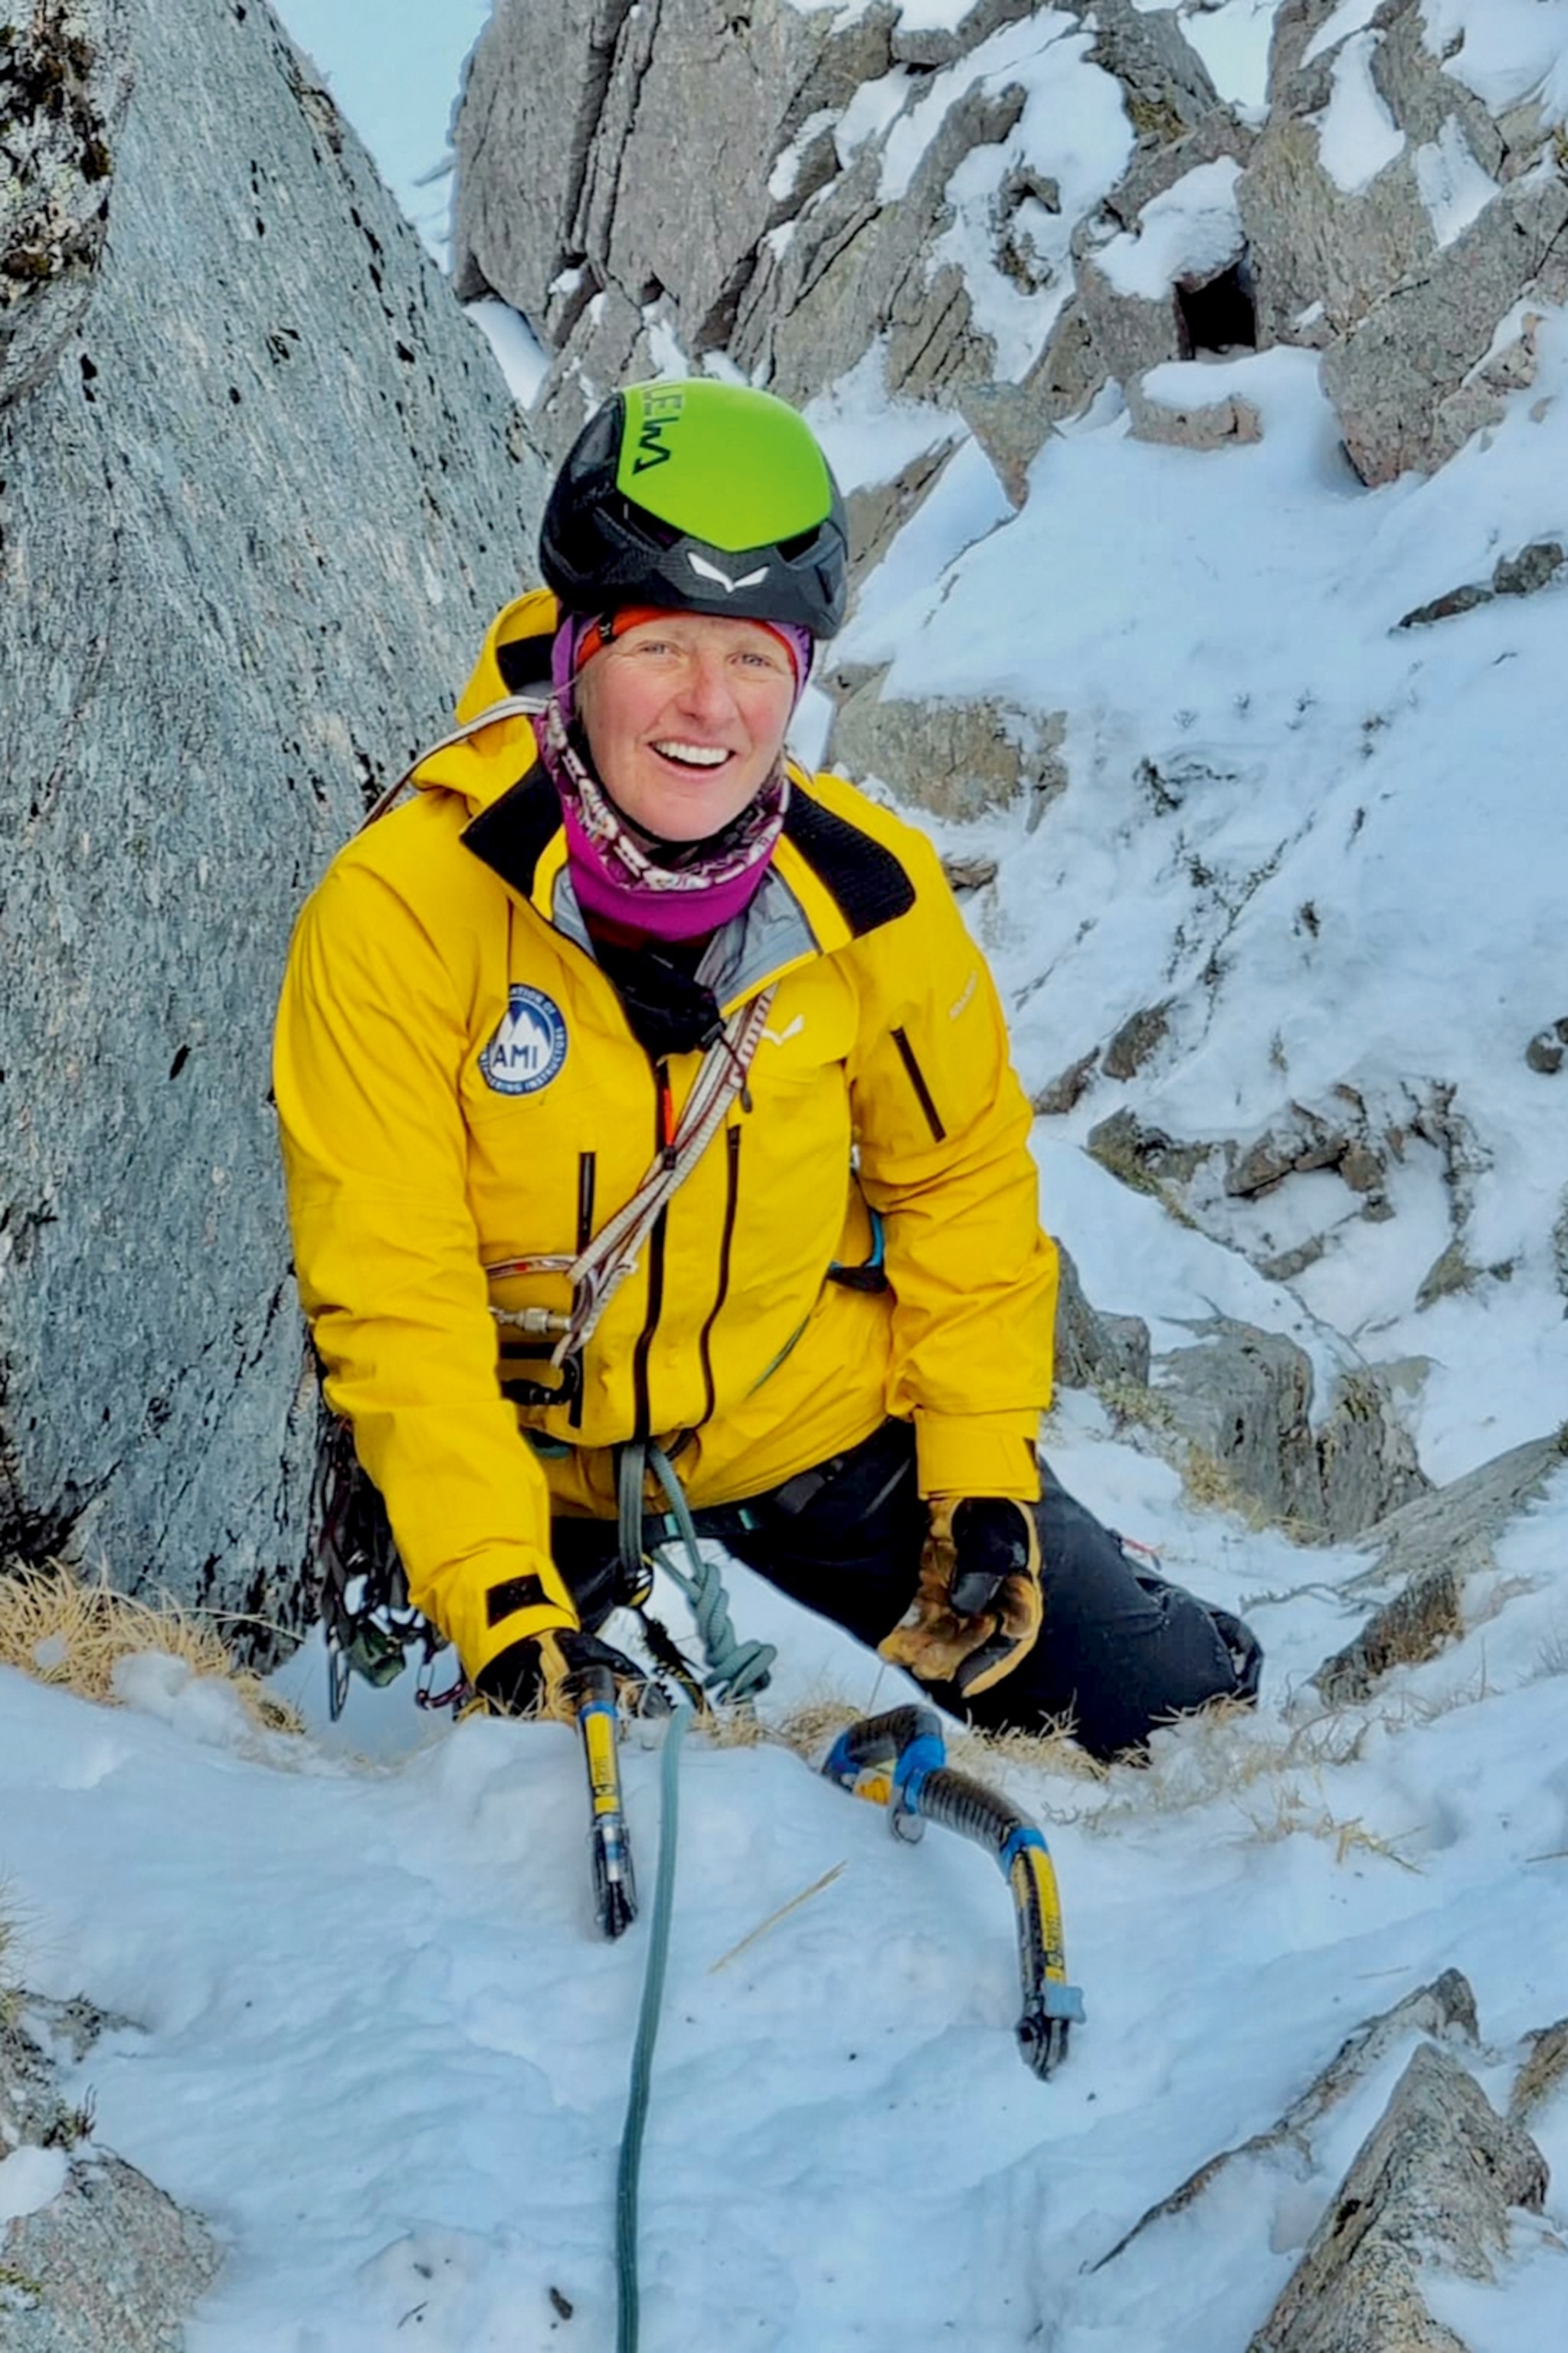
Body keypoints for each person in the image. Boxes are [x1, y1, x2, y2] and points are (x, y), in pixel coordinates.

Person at [273, 379, 1259, 1762]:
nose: (707, 707)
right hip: (519, 1462)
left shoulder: (872, 901)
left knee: (1174, 1717)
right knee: (510, 1803)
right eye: (661, 644)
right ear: (577, 650)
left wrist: (978, 1474)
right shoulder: (403, 913)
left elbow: (959, 1183)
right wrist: (503, 1608)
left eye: (753, 656)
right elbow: (397, 1302)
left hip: (796, 1407)